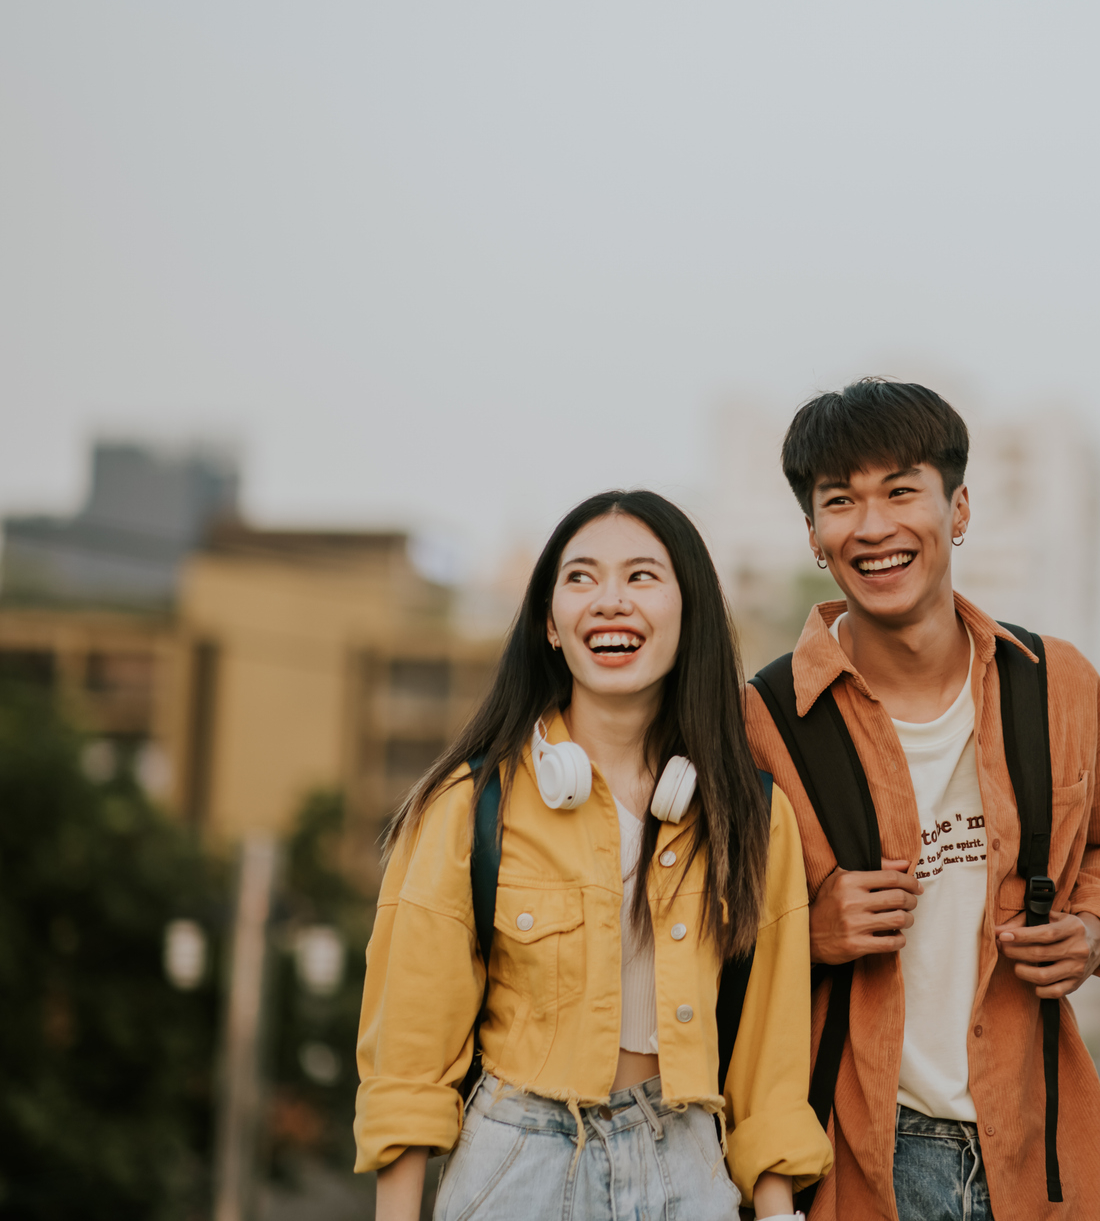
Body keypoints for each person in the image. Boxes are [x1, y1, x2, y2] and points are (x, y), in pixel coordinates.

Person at [355, 490, 832, 1221]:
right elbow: (409, 1060)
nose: (610, 601)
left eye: (642, 577)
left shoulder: (754, 817)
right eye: (581, 579)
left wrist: (776, 1214)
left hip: (687, 1162)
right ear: (550, 624)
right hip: (517, 1159)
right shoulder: (468, 804)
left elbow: (770, 1066)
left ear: (688, 613)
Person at [743, 378, 1100, 1221]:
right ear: (814, 534)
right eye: (841, 501)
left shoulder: (1060, 686)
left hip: (1042, 1154)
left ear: (958, 509)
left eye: (901, 491)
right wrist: (811, 931)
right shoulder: (765, 720)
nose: (875, 525)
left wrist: (1094, 928)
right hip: (857, 1158)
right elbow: (702, 928)